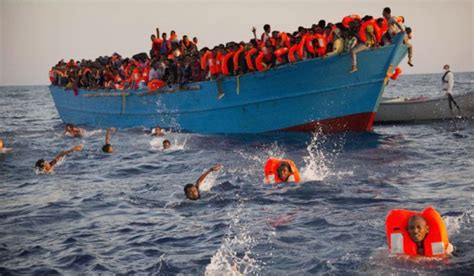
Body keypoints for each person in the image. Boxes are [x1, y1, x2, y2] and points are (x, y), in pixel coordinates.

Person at [386, 207, 454, 257]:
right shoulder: (398, 249)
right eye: (411, 228)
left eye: (419, 227)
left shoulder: (447, 249)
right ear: (407, 230)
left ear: (426, 229)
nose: (415, 231)